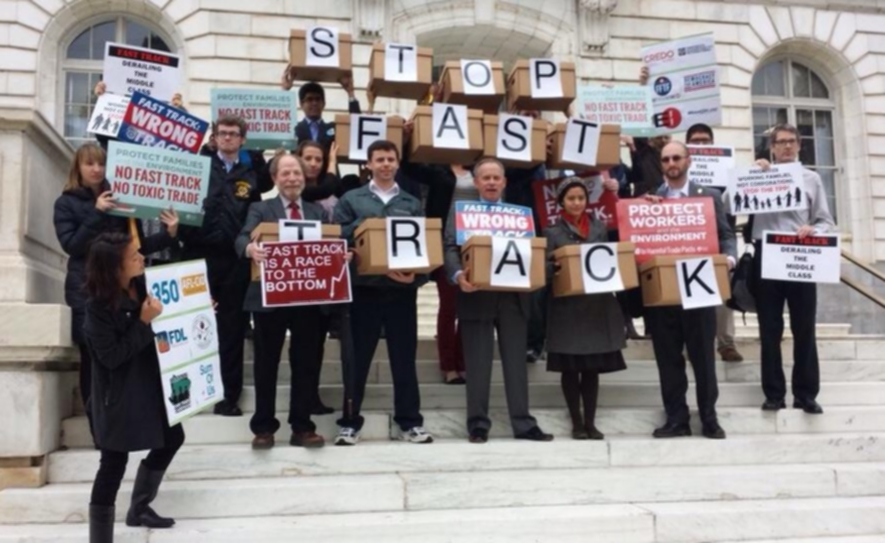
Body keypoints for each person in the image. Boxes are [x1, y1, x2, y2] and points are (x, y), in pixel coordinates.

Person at [53, 144, 179, 439]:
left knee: (127, 354)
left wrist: (170, 234)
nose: (96, 169)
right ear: (78, 168)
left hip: (123, 292)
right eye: (90, 164)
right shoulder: (66, 203)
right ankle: (98, 431)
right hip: (87, 289)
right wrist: (97, 213)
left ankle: (121, 423)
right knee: (93, 361)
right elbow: (72, 245)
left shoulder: (122, 199)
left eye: (101, 164)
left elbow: (137, 247)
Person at [443, 157, 554, 444]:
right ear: (476, 182)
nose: (491, 182)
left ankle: (523, 423)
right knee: (477, 364)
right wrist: (457, 275)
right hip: (475, 295)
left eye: (496, 178)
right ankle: (478, 424)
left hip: (514, 297)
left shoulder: (520, 215)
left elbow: (532, 252)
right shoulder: (462, 212)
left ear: (504, 182)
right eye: (486, 178)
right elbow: (450, 247)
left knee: (516, 364)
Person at [83, 232, 185, 542]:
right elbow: (112, 357)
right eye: (133, 256)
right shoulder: (96, 308)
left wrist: (196, 306)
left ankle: (139, 507)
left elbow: (169, 310)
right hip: (117, 395)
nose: (141, 258)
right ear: (114, 267)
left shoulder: (143, 285)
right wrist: (142, 322)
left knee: (172, 437)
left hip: (151, 384)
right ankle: (100, 536)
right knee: (113, 462)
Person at [332, 140, 433, 446]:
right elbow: (337, 237)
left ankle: (410, 422)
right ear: (369, 164)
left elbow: (424, 246)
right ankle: (350, 423)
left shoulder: (411, 202)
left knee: (404, 359)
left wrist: (416, 277)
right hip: (365, 290)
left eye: (390, 159)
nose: (386, 164)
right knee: (357, 359)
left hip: (401, 292)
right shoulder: (352, 199)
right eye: (380, 159)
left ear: (398, 163)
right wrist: (367, 225)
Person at [237, 154, 333, 449]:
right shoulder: (260, 208)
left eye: (297, 173)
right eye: (286, 173)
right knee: (266, 364)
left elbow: (329, 245)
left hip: (308, 299)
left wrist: (340, 255)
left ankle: (302, 427)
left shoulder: (317, 212)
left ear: (305, 178)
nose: (292, 178)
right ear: (275, 178)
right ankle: (263, 427)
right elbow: (241, 238)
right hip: (269, 298)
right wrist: (250, 249)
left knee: (306, 363)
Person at [645, 141, 736, 440]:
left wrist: (729, 259)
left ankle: (709, 418)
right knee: (668, 360)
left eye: (676, 158)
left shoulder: (709, 196)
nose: (671, 163)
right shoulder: (650, 199)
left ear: (688, 160)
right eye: (666, 159)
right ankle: (676, 419)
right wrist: (642, 211)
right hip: (664, 291)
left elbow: (726, 234)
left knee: (703, 359)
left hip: (700, 288)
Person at [179, 114, 261, 417]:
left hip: (234, 261)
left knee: (232, 328)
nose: (227, 138)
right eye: (222, 133)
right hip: (197, 256)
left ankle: (228, 397)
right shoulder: (197, 166)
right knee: (193, 324)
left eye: (233, 133)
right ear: (214, 137)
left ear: (242, 139)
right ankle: (188, 395)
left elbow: (255, 215)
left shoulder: (250, 175)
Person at [753, 124, 835, 414]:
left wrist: (814, 229)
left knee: (804, 327)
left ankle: (806, 394)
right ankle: (774, 394)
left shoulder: (811, 179)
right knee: (769, 329)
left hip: (800, 255)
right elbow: (729, 204)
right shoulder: (758, 175)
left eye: (791, 141)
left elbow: (826, 221)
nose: (786, 146)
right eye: (781, 142)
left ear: (799, 145)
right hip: (767, 256)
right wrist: (755, 174)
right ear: (772, 147)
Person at [545, 178, 627, 440]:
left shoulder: (599, 228)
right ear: (561, 202)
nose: (577, 203)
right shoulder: (551, 232)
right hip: (566, 308)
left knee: (591, 369)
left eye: (581, 198)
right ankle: (576, 422)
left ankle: (590, 422)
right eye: (571, 198)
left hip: (595, 305)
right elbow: (542, 269)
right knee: (570, 369)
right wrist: (553, 267)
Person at [398, 147, 472, 385]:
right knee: (449, 305)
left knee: (469, 308)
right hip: (445, 243)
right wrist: (407, 139)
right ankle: (449, 365)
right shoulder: (437, 169)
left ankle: (464, 361)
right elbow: (408, 167)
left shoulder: (480, 167)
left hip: (476, 244)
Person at [685, 123, 744, 363]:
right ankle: (693, 344)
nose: (701, 145)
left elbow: (740, 201)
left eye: (705, 141)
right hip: (689, 244)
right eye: (695, 141)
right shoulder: (680, 174)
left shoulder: (727, 173)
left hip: (719, 242)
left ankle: (726, 343)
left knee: (723, 296)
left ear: (712, 143)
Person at [282, 73, 361, 151]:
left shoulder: (333, 128)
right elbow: (278, 124)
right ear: (301, 104)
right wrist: (284, 91)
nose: (314, 103)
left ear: (324, 103)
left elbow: (357, 126)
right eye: (309, 99)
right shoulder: (294, 129)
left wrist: (351, 94)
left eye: (318, 99)